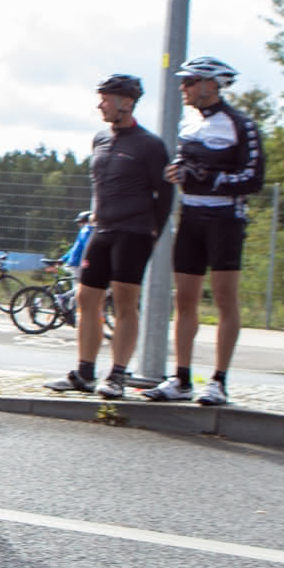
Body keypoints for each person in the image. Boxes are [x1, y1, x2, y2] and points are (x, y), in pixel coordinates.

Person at [142, 56, 266, 406]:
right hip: (191, 218)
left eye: (190, 81)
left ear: (212, 84)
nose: (183, 87)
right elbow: (189, 168)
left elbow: (253, 179)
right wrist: (178, 171)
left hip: (226, 219)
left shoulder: (241, 124)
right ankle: (181, 378)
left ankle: (218, 381)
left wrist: (206, 178)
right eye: (183, 81)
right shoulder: (190, 125)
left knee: (225, 299)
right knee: (184, 300)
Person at [44, 75, 172, 398]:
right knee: (87, 299)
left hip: (134, 233)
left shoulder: (150, 145)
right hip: (101, 230)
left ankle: (117, 375)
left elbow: (165, 195)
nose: (100, 104)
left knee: (125, 302)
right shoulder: (100, 139)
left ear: (126, 103)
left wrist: (152, 233)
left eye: (106, 99)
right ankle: (85, 372)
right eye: (100, 98)